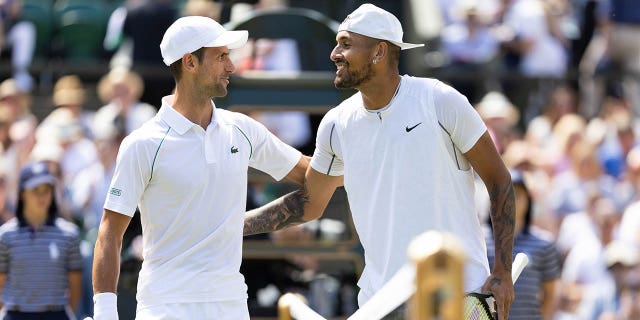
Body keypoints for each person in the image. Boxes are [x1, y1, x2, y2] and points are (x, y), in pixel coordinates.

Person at [244, 3, 516, 319]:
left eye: (345, 44)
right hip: (381, 303)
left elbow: (499, 180)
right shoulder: (336, 124)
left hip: (457, 296)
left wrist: (502, 271)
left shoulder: (440, 101)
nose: (334, 53)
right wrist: (236, 225)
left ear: (379, 52)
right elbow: (309, 202)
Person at [89, 16, 308, 320]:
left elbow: (311, 174)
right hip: (165, 307)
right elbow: (109, 234)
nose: (231, 66)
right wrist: (104, 314)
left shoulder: (242, 128)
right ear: (190, 62)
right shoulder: (142, 144)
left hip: (230, 306)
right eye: (221, 56)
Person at [0, 161, 83, 320]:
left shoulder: (69, 234)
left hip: (56, 315)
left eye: (46, 190)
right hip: (15, 315)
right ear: (22, 193)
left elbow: (75, 287)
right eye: (35, 190)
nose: (42, 196)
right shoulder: (5, 235)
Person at [485, 169, 562, 319]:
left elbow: (550, 294)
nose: (511, 200)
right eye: (506, 195)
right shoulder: (480, 240)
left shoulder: (544, 244)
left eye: (518, 195)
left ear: (528, 201)